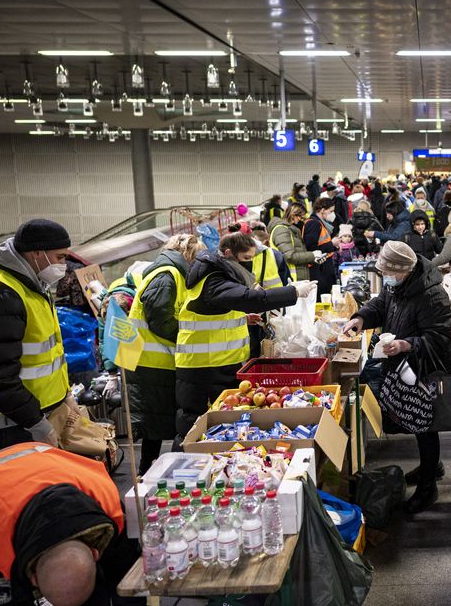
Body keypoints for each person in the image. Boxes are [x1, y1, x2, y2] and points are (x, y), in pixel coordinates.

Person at [0, 443, 137, 606]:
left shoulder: (108, 508)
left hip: (26, 469)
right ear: (32, 580)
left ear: (95, 553)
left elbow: (126, 582)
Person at [342, 241, 451, 513]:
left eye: (390, 273)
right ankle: (431, 466)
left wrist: (406, 344)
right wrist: (361, 318)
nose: (386, 278)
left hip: (424, 369)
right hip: (404, 365)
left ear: (406, 269)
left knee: (426, 424)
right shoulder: (398, 285)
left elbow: (438, 338)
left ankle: (428, 488)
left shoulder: (432, 295)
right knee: (416, 423)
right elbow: (381, 305)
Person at [0, 219, 77, 455]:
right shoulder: (0, 295)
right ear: (38, 253)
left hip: (29, 418)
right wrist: (37, 423)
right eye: (60, 257)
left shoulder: (32, 286)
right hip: (10, 426)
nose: (64, 264)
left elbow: (48, 353)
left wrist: (66, 395)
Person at [175, 232, 313, 440]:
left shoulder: (220, 274)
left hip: (217, 365)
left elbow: (217, 314)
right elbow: (250, 298)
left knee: (220, 426)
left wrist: (242, 318)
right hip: (202, 369)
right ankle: (182, 467)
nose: (250, 264)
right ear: (229, 254)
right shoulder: (214, 280)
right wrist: (292, 292)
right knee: (195, 427)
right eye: (246, 259)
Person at [127, 233, 203, 474]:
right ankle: (147, 475)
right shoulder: (166, 275)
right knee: (155, 424)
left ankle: (152, 473)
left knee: (158, 423)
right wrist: (188, 338)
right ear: (188, 255)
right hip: (150, 364)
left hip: (157, 362)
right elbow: (160, 320)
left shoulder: (173, 274)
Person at [303, 197, 339, 300]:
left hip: (323, 266)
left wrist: (333, 246)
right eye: (331, 211)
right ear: (322, 210)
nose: (333, 214)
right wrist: (331, 244)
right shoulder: (313, 223)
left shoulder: (320, 223)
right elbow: (311, 247)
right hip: (319, 269)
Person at [270, 203, 315, 281]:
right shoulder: (282, 230)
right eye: (301, 217)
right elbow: (290, 256)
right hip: (290, 278)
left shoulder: (290, 230)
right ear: (293, 215)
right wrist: (312, 255)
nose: (302, 221)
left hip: (294, 277)